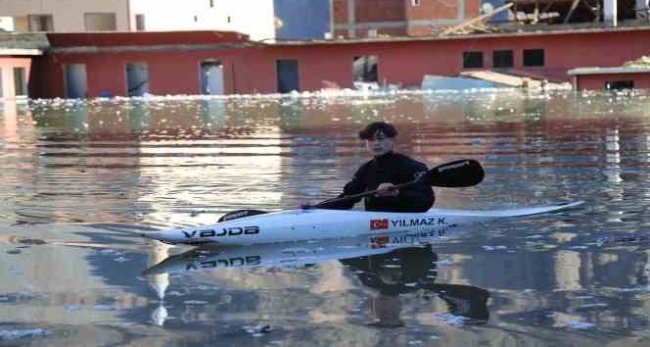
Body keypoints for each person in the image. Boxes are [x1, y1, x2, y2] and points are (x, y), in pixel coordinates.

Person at [319, 121, 434, 212]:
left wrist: (397, 193)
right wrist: (316, 208)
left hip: (404, 221)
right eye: (371, 140)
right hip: (375, 222)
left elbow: (426, 201)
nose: (376, 143)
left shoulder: (412, 166)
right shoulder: (366, 169)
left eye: (380, 139)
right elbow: (347, 199)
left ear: (392, 140)